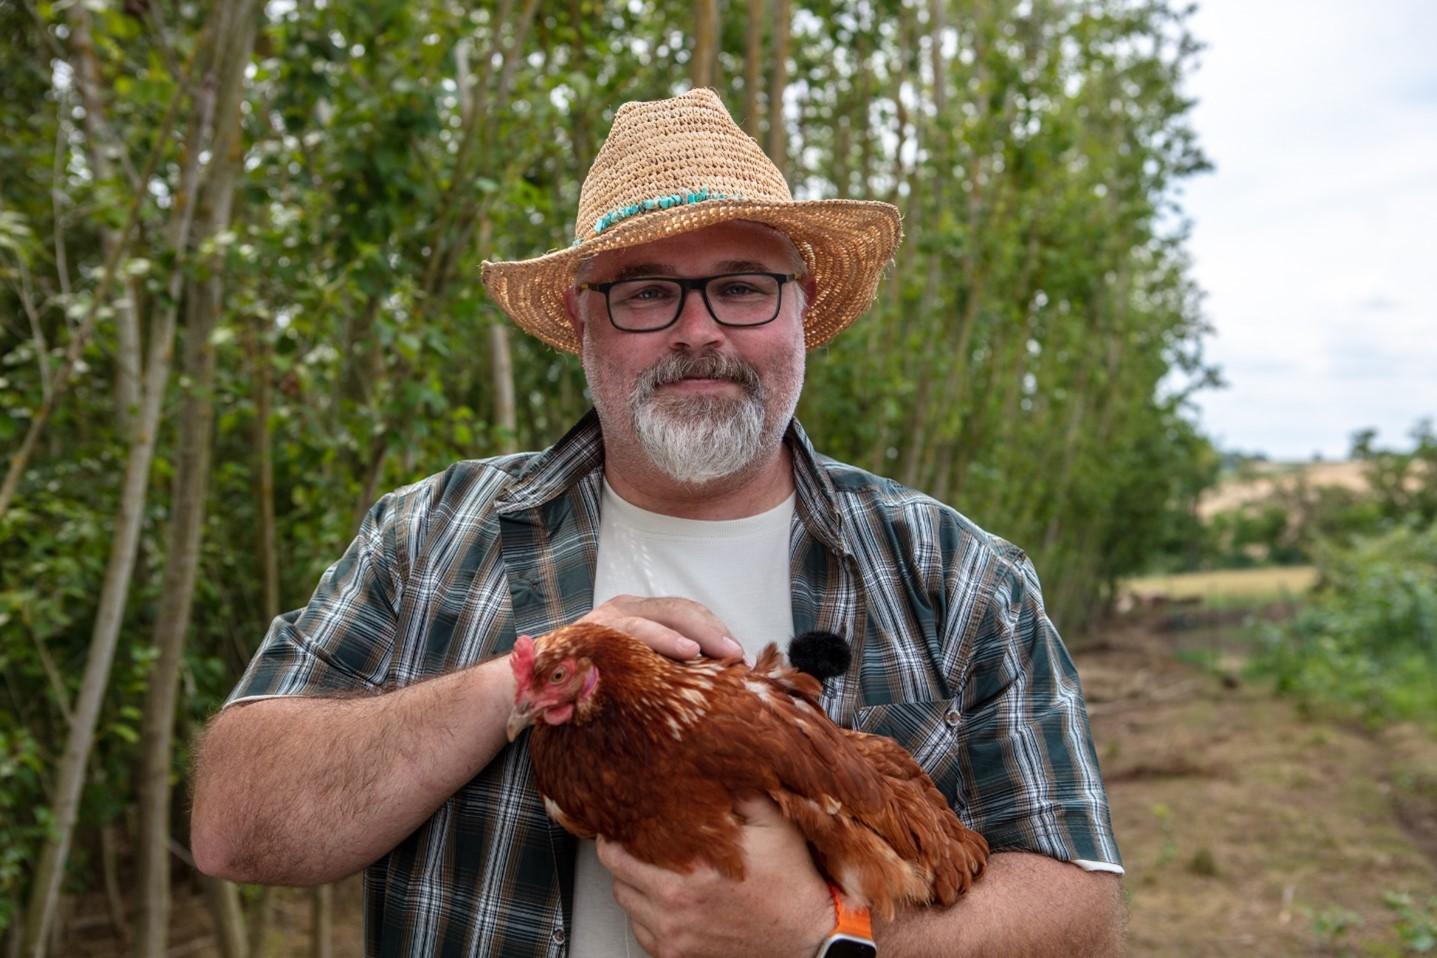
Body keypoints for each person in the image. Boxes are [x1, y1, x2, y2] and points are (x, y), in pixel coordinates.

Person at [191, 88, 1124, 958]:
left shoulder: (955, 576)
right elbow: (234, 825)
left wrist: (822, 935)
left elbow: (1081, 913)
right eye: (645, 291)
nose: (699, 331)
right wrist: (523, 680)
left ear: (800, 306)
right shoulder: (428, 538)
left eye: (743, 286)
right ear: (580, 319)